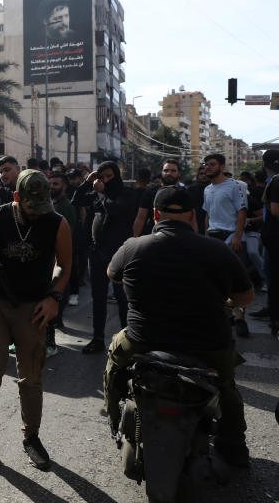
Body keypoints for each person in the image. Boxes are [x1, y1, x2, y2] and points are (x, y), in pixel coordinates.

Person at [103, 186, 254, 467]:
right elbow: (246, 296)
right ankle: (234, 445)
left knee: (114, 365)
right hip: (207, 345)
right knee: (226, 387)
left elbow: (113, 276)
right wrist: (227, 305)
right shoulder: (217, 250)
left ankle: (113, 421)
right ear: (192, 215)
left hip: (144, 341)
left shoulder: (133, 246)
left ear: (156, 215)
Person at [0, 170, 72, 471]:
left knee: (31, 377)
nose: (38, 213)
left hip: (33, 307)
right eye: (31, 207)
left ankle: (32, 438)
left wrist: (54, 298)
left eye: (42, 206)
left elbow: (65, 266)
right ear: (16, 198)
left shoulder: (57, 222)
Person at [72, 161, 136, 353]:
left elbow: (115, 210)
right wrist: (86, 183)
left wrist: (102, 191)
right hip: (97, 252)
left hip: (118, 253)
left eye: (109, 176)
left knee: (122, 298)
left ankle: (127, 341)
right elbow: (76, 200)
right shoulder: (95, 193)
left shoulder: (125, 194)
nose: (105, 180)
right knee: (97, 297)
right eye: (102, 177)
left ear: (116, 176)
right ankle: (98, 338)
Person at [202, 153, 252, 338]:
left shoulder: (234, 186)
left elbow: (242, 212)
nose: (208, 167)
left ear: (222, 167)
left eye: (212, 164)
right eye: (206, 164)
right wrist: (205, 237)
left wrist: (238, 237)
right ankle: (227, 315)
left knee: (237, 281)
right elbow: (208, 215)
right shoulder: (207, 189)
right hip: (214, 239)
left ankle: (240, 318)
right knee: (218, 281)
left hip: (232, 238)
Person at [47, 170, 78, 356]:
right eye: (51, 184)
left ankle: (52, 336)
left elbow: (69, 234)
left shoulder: (67, 207)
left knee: (57, 292)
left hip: (59, 259)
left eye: (56, 184)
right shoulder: (48, 204)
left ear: (64, 187)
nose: (52, 187)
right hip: (47, 258)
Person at [257, 150, 279, 335]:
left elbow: (275, 210)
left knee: (272, 278)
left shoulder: (276, 181)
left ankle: (275, 317)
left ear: (264, 164)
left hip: (274, 239)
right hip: (271, 238)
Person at [132, 159, 182, 237]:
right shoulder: (151, 192)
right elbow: (141, 217)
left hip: (179, 236)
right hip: (155, 236)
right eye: (166, 170)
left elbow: (192, 221)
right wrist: (135, 239)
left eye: (173, 171)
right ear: (162, 173)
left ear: (179, 173)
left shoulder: (184, 193)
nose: (169, 173)